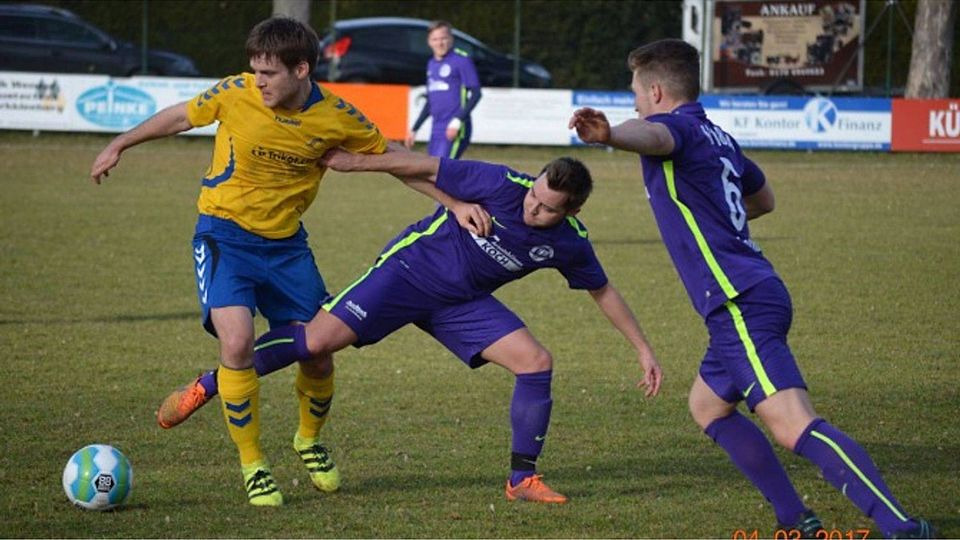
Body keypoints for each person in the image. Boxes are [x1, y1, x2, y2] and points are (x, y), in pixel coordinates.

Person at [89, 17, 486, 508]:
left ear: (302, 70)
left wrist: (454, 202)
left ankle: (308, 439)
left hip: (287, 248)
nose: (258, 82)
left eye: (269, 73)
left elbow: (394, 159)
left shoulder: (338, 116)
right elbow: (178, 117)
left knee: (319, 350)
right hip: (223, 236)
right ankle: (253, 464)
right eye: (254, 71)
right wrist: (119, 142)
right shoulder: (236, 92)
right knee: (236, 343)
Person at [569, 39, 933, 538]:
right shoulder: (717, 135)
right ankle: (794, 519)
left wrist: (611, 134)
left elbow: (651, 135)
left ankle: (901, 527)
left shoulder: (672, 128)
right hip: (749, 294)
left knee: (791, 423)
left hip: (738, 302)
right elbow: (762, 198)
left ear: (655, 90)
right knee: (707, 406)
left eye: (635, 91)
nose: (632, 101)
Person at [159, 151, 663, 504]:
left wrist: (642, 349)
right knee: (315, 341)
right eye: (533, 196)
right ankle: (211, 382)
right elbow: (417, 163)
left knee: (536, 363)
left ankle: (521, 479)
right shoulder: (497, 183)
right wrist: (360, 164)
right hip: (407, 273)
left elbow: (603, 290)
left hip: (462, 302)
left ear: (571, 211)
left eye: (545, 207)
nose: (531, 208)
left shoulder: (570, 242)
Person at [404, 20, 482, 159]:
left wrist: (457, 121)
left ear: (451, 39)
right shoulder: (431, 64)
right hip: (436, 129)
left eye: (444, 38)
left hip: (454, 128)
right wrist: (415, 129)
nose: (440, 43)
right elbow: (430, 102)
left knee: (442, 172)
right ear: (429, 42)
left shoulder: (461, 60)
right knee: (433, 173)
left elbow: (476, 93)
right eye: (435, 39)